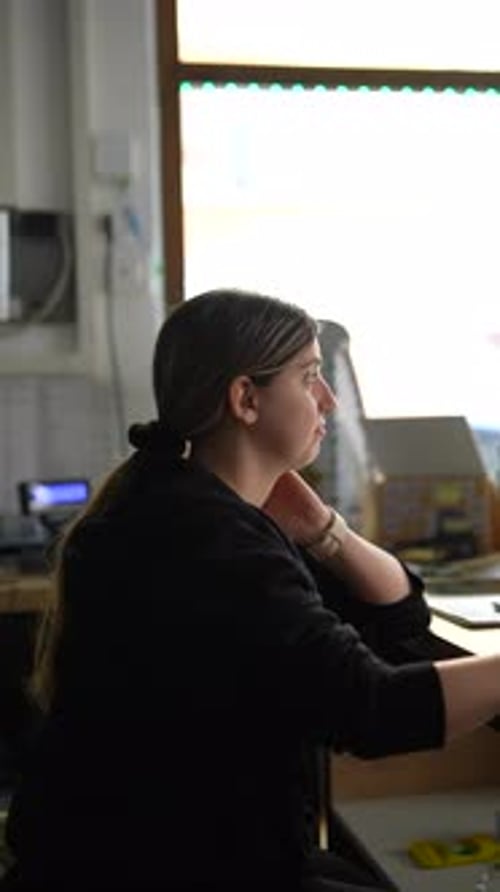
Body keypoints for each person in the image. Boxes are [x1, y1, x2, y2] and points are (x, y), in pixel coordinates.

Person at [2, 288, 500, 892]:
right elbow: (376, 711)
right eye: (309, 377)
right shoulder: (206, 542)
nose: (328, 399)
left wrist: (324, 530)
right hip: (171, 869)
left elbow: (396, 616)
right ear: (245, 398)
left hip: (146, 853)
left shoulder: (181, 501)